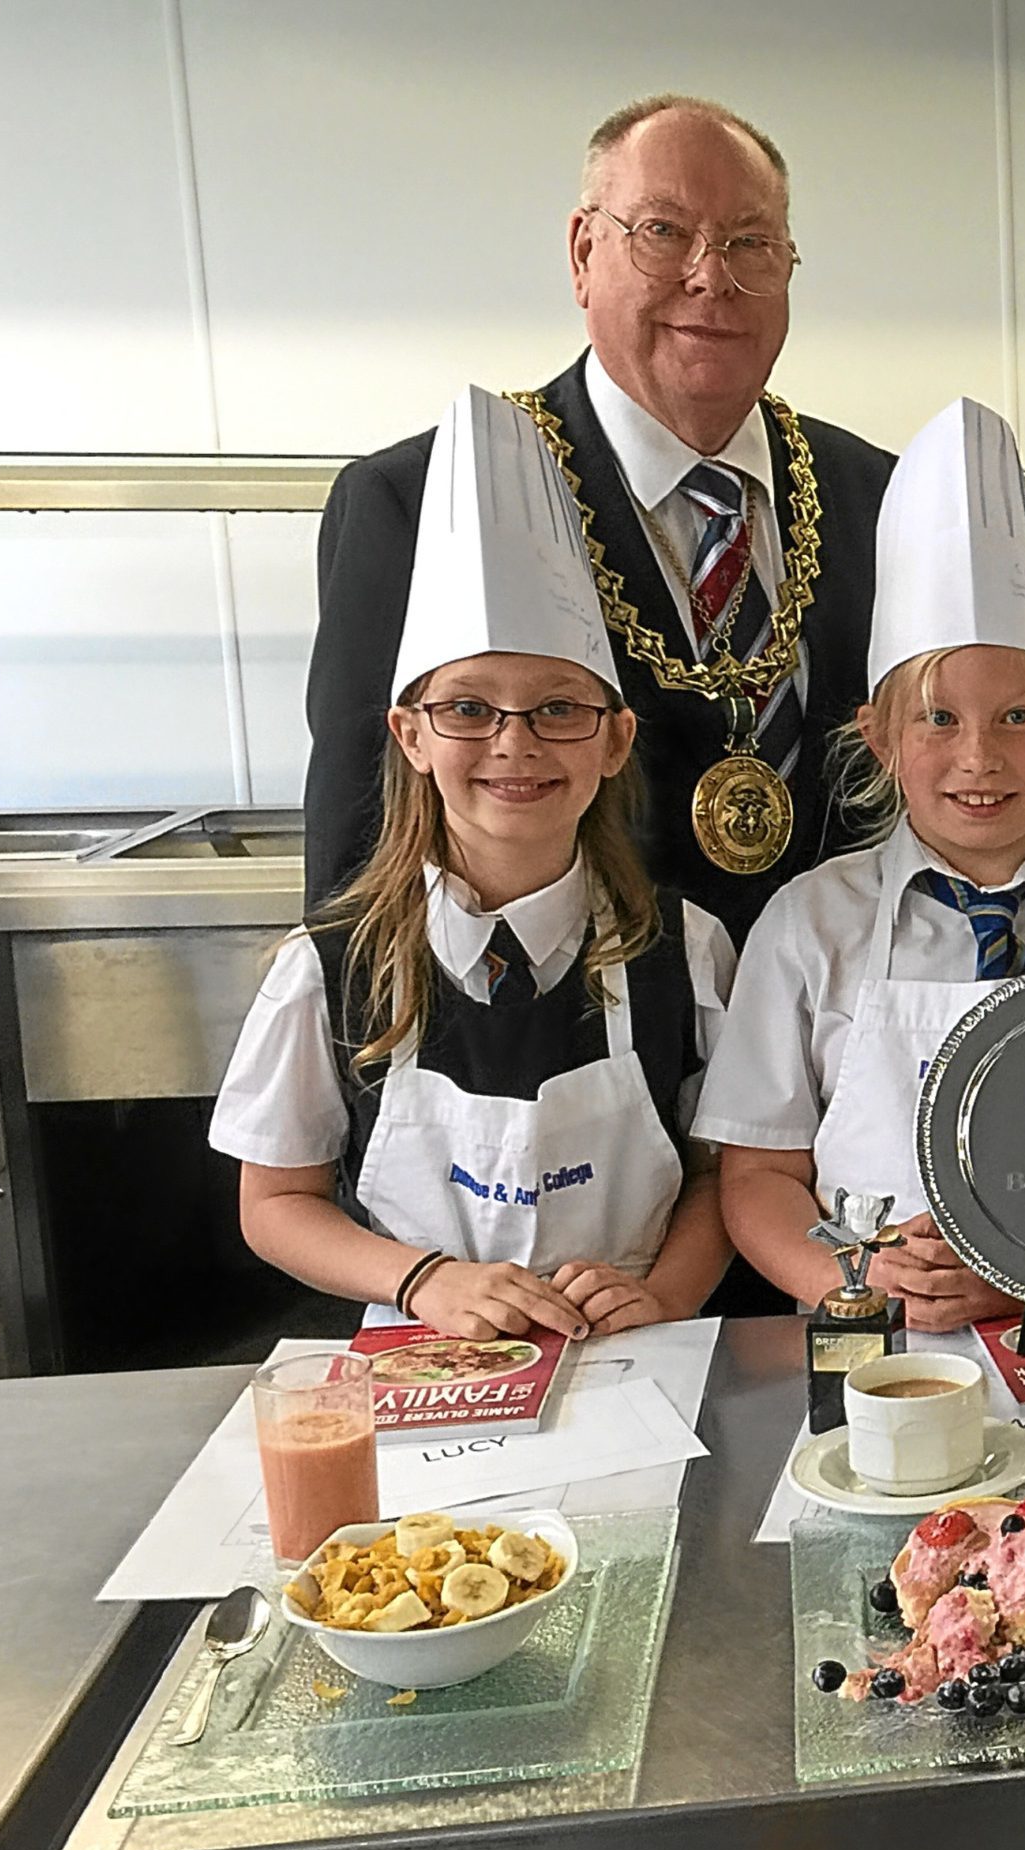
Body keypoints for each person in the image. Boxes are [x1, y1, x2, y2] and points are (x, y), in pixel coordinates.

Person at [303, 94, 893, 947]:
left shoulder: (873, 494)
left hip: (834, 1044)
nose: (711, 276)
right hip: (573, 1047)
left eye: (750, 243)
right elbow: (360, 856)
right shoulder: (420, 502)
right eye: (663, 232)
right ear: (583, 253)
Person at [213, 388, 734, 1339]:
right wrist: (426, 1281)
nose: (514, 744)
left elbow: (720, 1174)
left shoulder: (684, 952)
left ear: (615, 739)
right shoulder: (329, 969)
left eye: (558, 709)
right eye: (467, 709)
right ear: (409, 733)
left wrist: (667, 1293)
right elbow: (274, 1202)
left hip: (638, 1354)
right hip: (424, 1361)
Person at [697, 400, 1025, 1336]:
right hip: (866, 1345)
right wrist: (855, 1281)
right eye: (938, 717)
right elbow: (759, 1176)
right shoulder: (809, 925)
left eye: (1018, 717)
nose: (979, 757)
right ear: (881, 737)